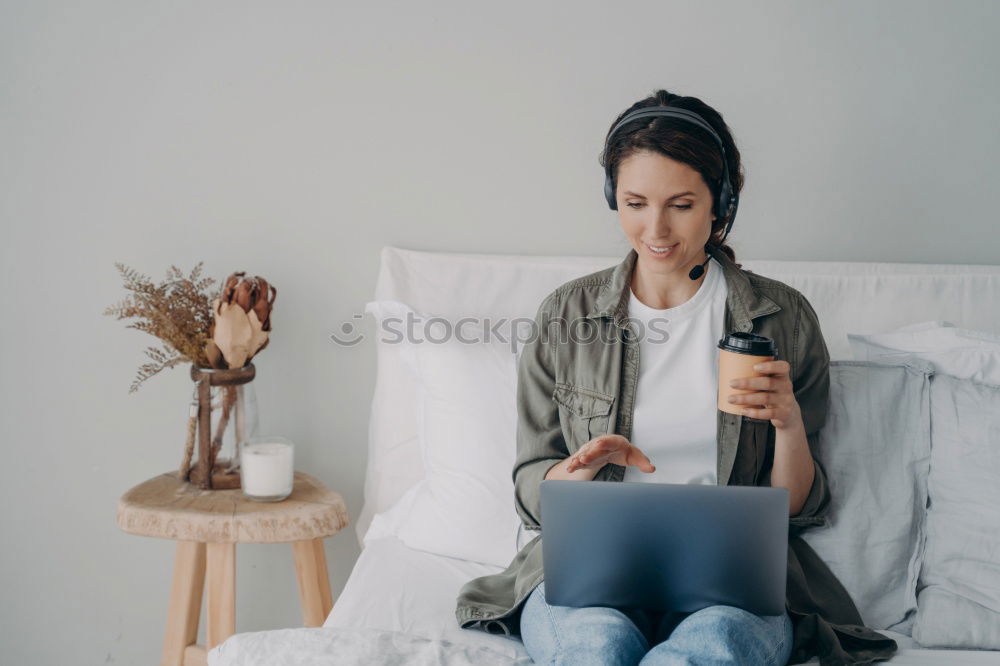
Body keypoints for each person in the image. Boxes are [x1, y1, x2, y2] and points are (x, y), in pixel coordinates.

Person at [454, 89, 899, 665]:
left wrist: (788, 425)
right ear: (614, 197)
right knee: (595, 648)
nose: (656, 228)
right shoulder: (566, 316)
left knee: (709, 648)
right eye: (635, 203)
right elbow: (530, 495)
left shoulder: (784, 318)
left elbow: (797, 508)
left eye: (681, 204)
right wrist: (576, 470)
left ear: (722, 204)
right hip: (587, 577)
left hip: (732, 587)